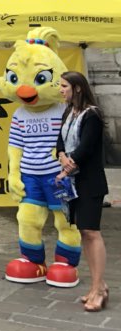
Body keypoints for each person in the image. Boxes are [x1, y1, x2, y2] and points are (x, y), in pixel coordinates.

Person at [56, 71, 109, 312]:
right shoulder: (69, 112)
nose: (61, 89)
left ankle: (98, 289)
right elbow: (60, 142)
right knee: (83, 233)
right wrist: (62, 157)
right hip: (73, 182)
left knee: (92, 232)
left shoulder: (92, 115)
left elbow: (86, 148)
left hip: (89, 182)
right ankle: (98, 284)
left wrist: (67, 168)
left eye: (64, 85)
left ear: (77, 88)